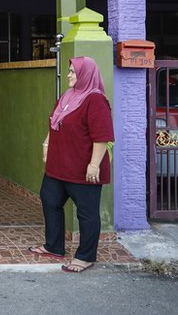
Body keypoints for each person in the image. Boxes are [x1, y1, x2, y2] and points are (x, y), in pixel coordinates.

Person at [29, 56, 114, 273]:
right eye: (68, 71)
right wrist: (46, 144)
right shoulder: (67, 96)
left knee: (86, 212)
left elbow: (102, 136)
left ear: (85, 74)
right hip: (59, 165)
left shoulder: (95, 100)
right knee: (50, 200)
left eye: (73, 72)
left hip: (83, 168)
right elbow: (54, 122)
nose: (68, 75)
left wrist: (94, 165)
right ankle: (54, 246)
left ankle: (86, 256)